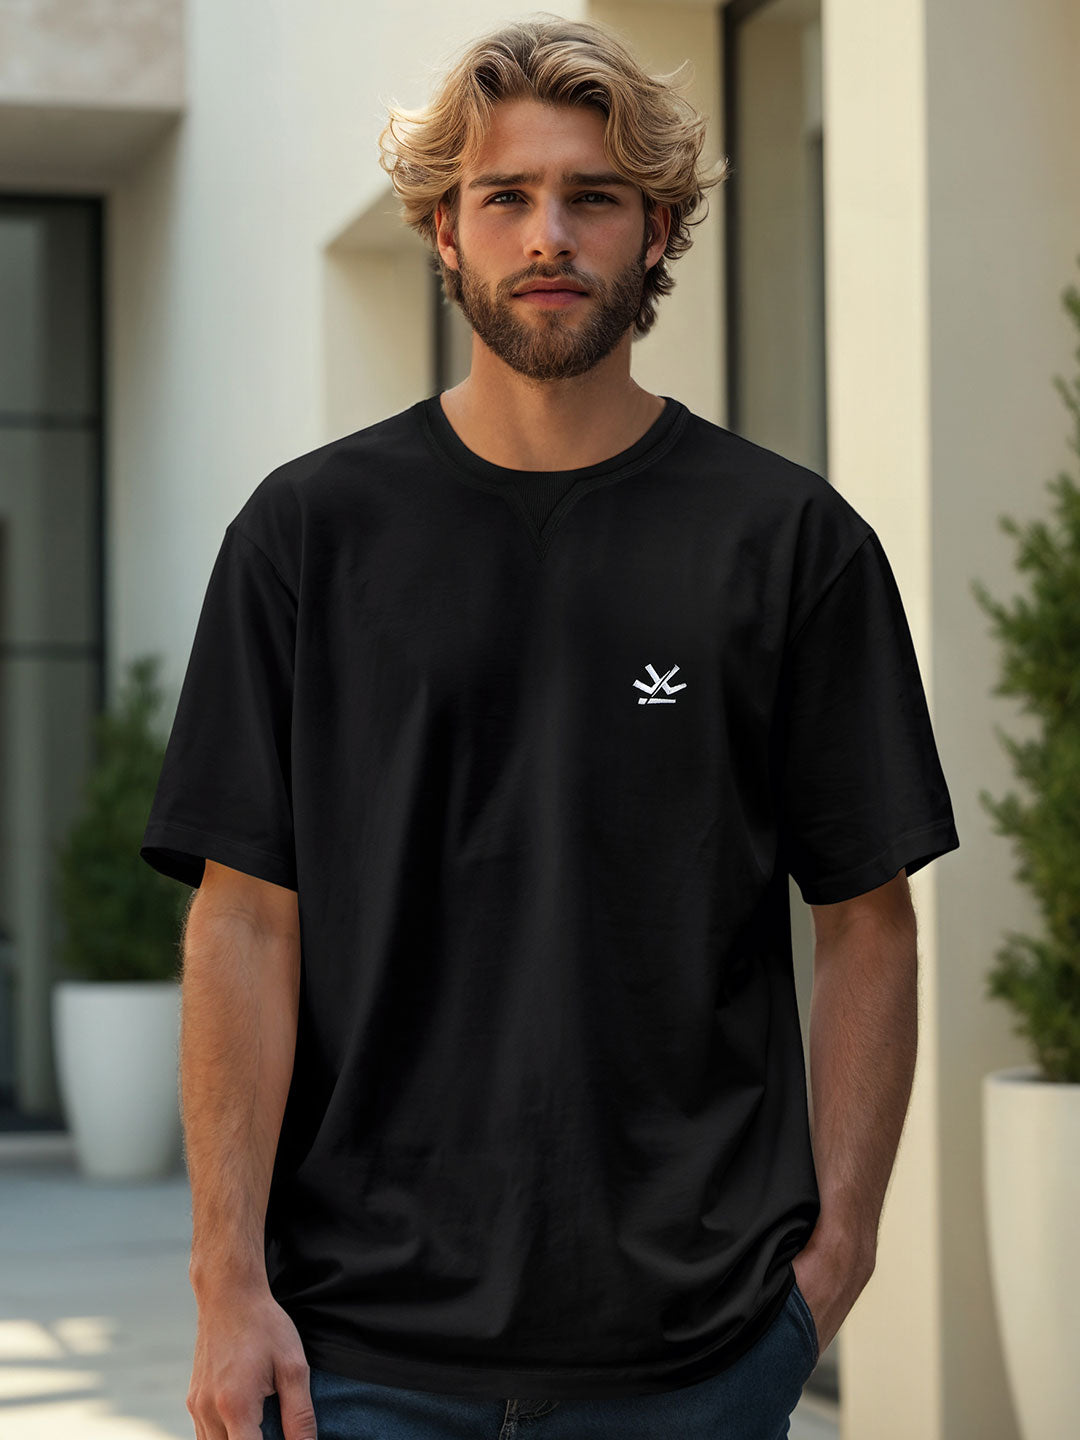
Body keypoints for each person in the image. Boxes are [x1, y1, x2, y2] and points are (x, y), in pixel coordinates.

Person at [140, 16, 960, 1440]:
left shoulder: (789, 544)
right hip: (350, 1356)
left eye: (594, 197)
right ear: (443, 232)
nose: (548, 234)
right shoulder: (307, 536)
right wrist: (226, 1285)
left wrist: (832, 1267)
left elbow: (868, 923)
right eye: (505, 196)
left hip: (697, 1358)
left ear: (658, 231)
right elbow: (245, 923)